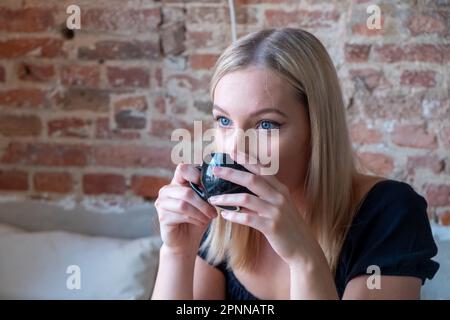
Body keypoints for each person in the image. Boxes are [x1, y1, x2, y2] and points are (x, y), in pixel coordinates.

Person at [151, 28, 439, 300]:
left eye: (266, 124)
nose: (235, 148)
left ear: (316, 130)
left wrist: (304, 259)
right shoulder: (221, 218)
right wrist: (176, 253)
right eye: (224, 120)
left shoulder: (389, 212)